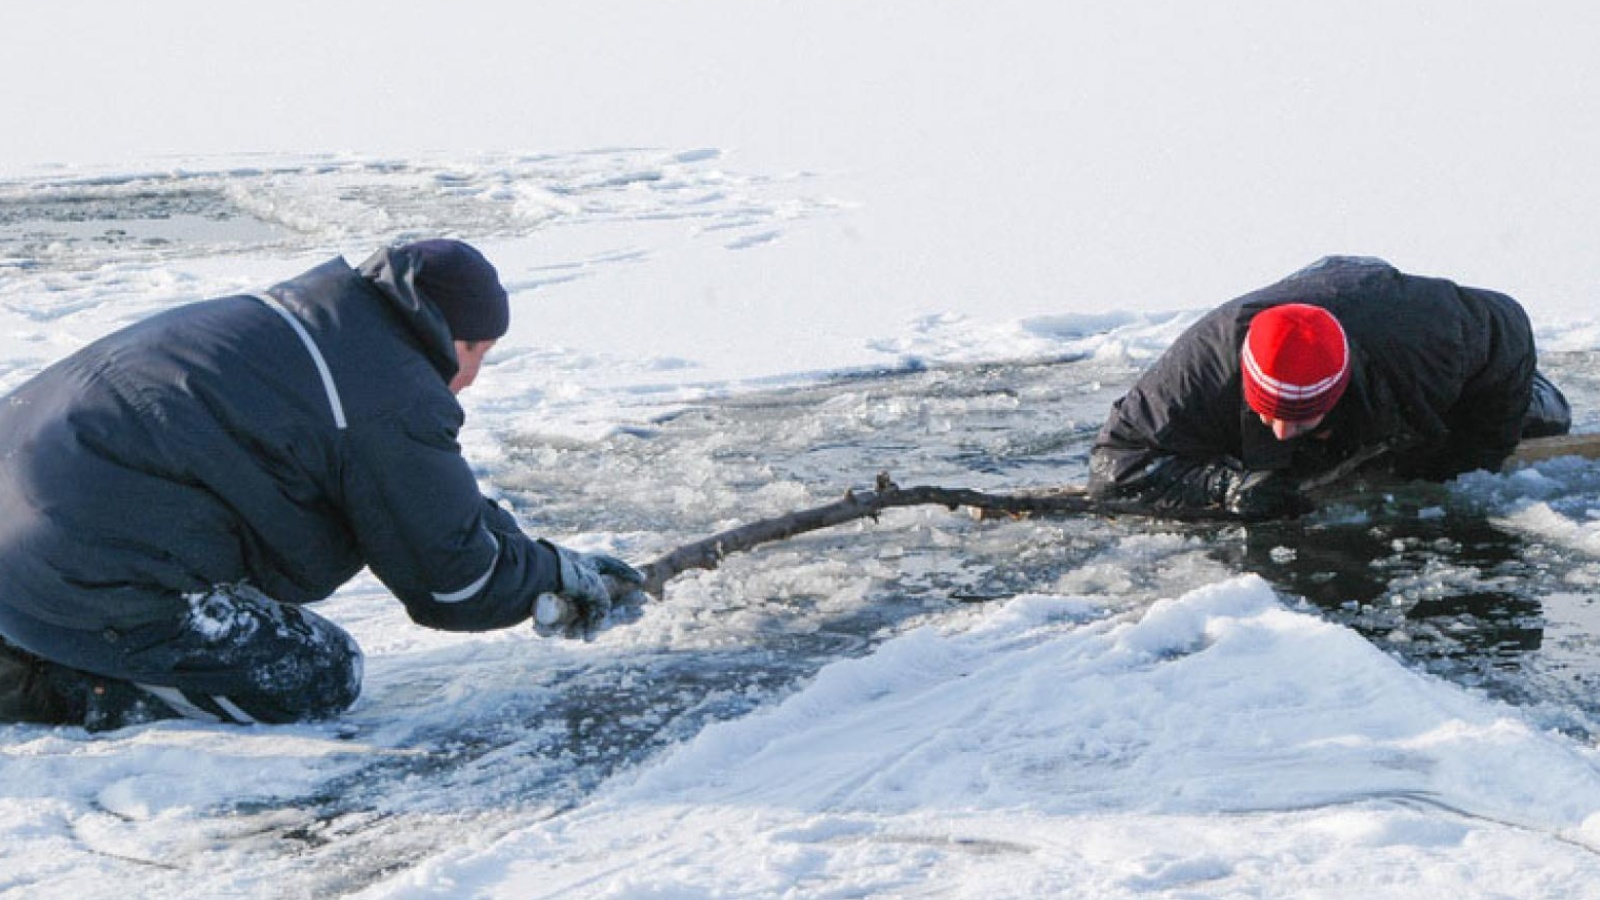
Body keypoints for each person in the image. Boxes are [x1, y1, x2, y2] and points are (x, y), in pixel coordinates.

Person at [0, 239, 644, 731]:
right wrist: (553, 575)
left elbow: (419, 501)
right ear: (451, 334)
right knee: (314, 674)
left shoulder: (306, 325)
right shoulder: (387, 394)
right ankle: (54, 683)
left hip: (30, 517)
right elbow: (453, 581)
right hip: (72, 567)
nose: (473, 376)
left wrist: (534, 556)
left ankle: (26, 632)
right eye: (478, 352)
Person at [1086, 256, 1572, 520]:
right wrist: (1225, 484)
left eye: (1299, 416)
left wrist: (1461, 465)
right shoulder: (1204, 366)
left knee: (1545, 416)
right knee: (1253, 447)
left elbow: (1508, 325)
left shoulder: (1433, 343)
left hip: (1389, 319)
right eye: (1267, 412)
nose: (1280, 430)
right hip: (1321, 290)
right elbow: (1116, 464)